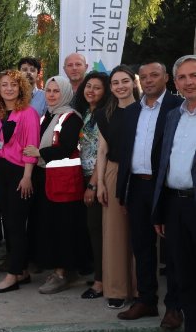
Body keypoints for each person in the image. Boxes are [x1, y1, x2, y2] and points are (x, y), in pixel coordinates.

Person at [116, 62, 183, 326]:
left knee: (173, 250)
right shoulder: (132, 111)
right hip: (137, 187)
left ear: (166, 77)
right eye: (143, 76)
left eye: (155, 75)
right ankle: (146, 301)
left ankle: (174, 307)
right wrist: (123, 192)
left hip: (164, 187)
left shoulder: (177, 107)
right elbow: (125, 153)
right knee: (142, 246)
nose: (149, 80)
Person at [23, 77, 88, 294]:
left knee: (64, 229)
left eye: (56, 91)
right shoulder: (49, 115)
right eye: (48, 91)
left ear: (66, 93)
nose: (51, 95)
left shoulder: (71, 117)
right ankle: (58, 269)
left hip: (64, 182)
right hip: (48, 180)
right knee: (51, 227)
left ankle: (62, 273)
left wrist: (39, 153)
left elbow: (67, 147)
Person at [0, 69, 40, 293]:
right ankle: (22, 271)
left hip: (19, 172)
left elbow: (31, 147)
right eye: (4, 84)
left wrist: (27, 176)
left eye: (13, 85)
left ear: (21, 88)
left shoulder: (28, 113)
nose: (8, 88)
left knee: (16, 225)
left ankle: (12, 275)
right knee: (8, 223)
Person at [153, 55, 196, 332]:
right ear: (175, 82)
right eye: (182, 77)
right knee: (184, 279)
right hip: (176, 207)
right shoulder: (174, 116)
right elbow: (165, 165)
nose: (189, 81)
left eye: (193, 75)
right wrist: (160, 210)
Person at [95, 65, 138, 309]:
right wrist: (100, 182)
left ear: (133, 83)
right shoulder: (105, 114)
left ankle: (142, 288)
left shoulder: (145, 111)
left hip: (141, 174)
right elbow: (102, 150)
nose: (120, 86)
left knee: (141, 233)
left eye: (125, 81)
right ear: (111, 87)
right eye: (115, 83)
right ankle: (117, 290)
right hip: (112, 172)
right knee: (114, 233)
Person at [74, 72, 111, 300]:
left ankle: (100, 282)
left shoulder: (106, 115)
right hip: (85, 175)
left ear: (105, 91)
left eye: (97, 88)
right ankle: (100, 273)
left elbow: (101, 152)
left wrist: (94, 185)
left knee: (97, 231)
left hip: (99, 178)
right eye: (88, 86)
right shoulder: (88, 113)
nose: (91, 91)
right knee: (92, 230)